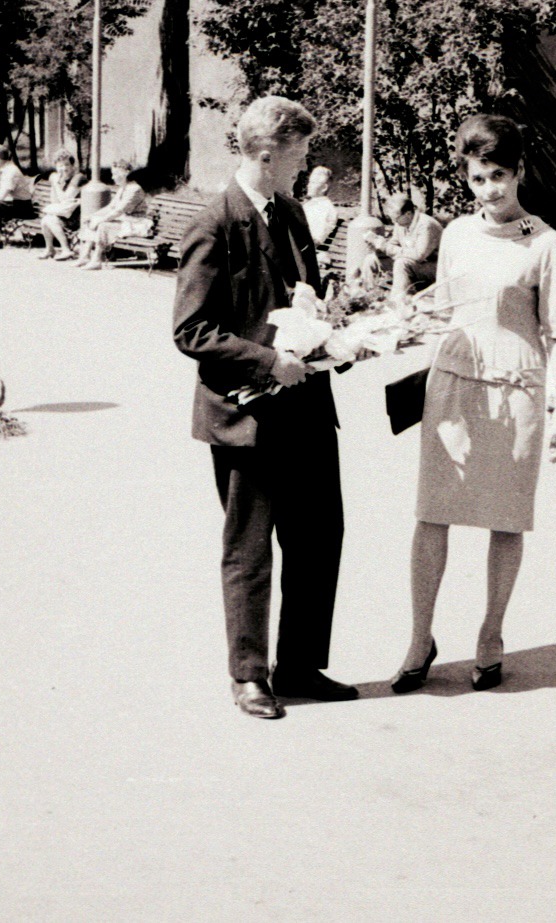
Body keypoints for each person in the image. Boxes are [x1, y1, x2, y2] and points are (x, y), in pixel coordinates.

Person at [171, 95, 354, 720]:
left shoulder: (294, 213)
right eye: (301, 153)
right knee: (249, 547)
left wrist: (335, 338)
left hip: (307, 407)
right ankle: (249, 675)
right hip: (246, 416)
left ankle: (300, 665)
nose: (307, 163)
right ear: (270, 155)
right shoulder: (215, 223)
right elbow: (191, 331)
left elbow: (304, 299)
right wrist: (268, 361)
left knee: (318, 536)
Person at [390, 114, 556, 694]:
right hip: (453, 386)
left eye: (498, 176)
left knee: (506, 519)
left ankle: (491, 634)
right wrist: (400, 320)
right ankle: (421, 637)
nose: (489, 190)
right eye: (477, 179)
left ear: (519, 173)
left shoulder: (547, 244)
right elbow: (443, 309)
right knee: (432, 514)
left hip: (518, 391)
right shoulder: (459, 235)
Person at [358, 192, 441, 298]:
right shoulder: (402, 223)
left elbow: (419, 255)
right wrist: (378, 248)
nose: (394, 222)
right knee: (372, 259)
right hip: (414, 264)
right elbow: (394, 244)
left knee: (401, 263)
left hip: (434, 268)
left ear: (408, 214)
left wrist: (385, 246)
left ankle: (398, 301)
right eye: (392, 219)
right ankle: (367, 297)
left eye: (396, 218)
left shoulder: (426, 225)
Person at [74, 159, 151, 270]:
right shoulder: (123, 188)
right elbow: (110, 207)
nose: (113, 177)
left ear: (126, 173)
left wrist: (99, 220)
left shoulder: (134, 189)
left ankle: (97, 260)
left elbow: (119, 211)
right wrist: (93, 216)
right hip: (125, 222)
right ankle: (85, 256)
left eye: (115, 174)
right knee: (93, 220)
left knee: (103, 225)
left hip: (136, 224)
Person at [38, 152, 86, 260]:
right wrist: (57, 183)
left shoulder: (78, 178)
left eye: (67, 165)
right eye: (60, 166)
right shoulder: (61, 179)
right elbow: (54, 201)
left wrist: (55, 183)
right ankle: (50, 249)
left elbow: (66, 199)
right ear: (56, 167)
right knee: (46, 220)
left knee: (49, 220)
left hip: (80, 217)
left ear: (73, 166)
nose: (63, 168)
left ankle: (66, 250)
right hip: (68, 214)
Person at [301, 165, 337, 245]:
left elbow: (316, 240)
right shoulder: (308, 205)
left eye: (313, 183)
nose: (308, 185)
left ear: (324, 187)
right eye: (309, 182)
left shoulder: (326, 208)